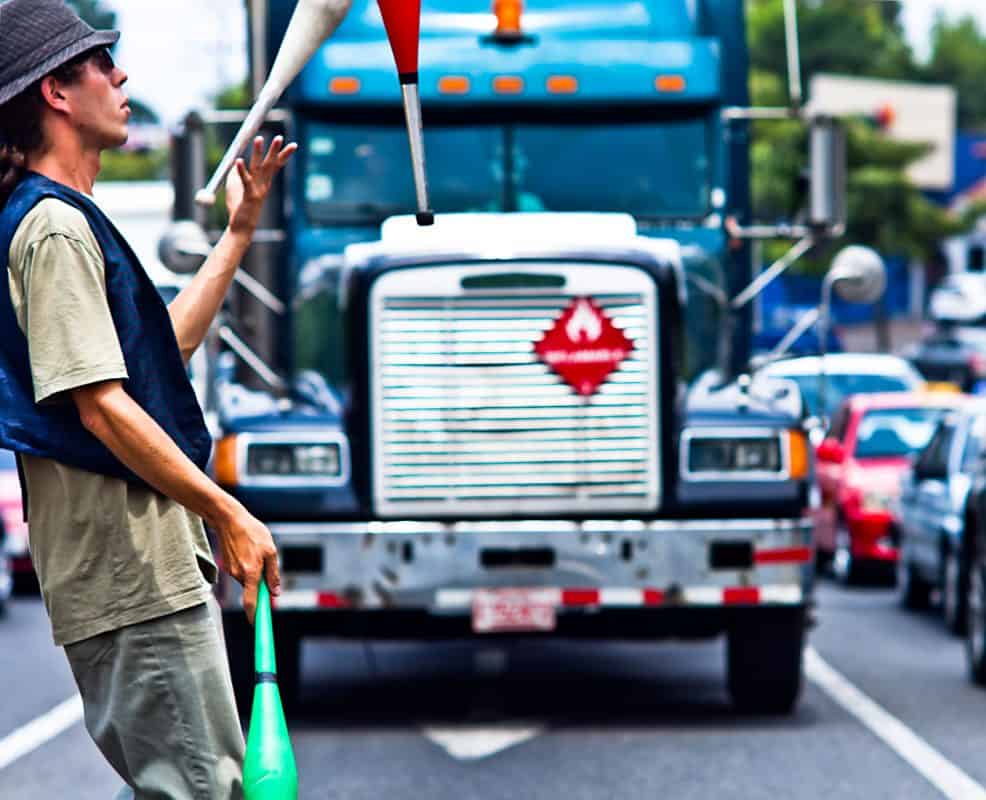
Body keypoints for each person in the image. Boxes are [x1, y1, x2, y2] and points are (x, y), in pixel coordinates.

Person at [0, 1, 297, 797]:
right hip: (127, 573)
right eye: (100, 64)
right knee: (203, 791)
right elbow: (99, 403)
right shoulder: (55, 229)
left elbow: (154, 354)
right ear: (55, 94)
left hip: (134, 570)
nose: (121, 75)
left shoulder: (60, 222)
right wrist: (229, 512)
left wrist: (237, 235)